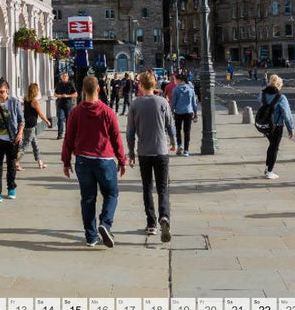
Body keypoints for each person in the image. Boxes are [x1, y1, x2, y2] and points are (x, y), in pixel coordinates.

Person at [62, 76, 127, 248]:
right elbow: (116, 138)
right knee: (111, 194)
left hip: (83, 160)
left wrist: (66, 161)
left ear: (83, 90)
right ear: (98, 89)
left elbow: (68, 138)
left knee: (88, 198)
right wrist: (122, 159)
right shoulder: (107, 111)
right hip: (104, 160)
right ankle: (105, 224)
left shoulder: (75, 112)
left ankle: (91, 237)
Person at [126, 71, 176, 242]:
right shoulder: (162, 102)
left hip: (144, 152)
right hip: (161, 150)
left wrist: (131, 153)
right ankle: (165, 216)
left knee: (147, 187)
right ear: (154, 85)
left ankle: (151, 224)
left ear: (140, 85)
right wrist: (174, 141)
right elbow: (170, 124)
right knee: (163, 187)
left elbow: (130, 132)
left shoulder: (135, 104)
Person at [0, 79, 24, 202]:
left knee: (11, 165)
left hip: (12, 139)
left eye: (2, 92)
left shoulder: (14, 102)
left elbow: (21, 120)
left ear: (7, 90)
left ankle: (11, 188)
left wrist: (20, 133)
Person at [261, 74, 295, 179]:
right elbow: (287, 115)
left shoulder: (263, 95)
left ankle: (267, 168)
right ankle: (270, 171)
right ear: (278, 85)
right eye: (281, 86)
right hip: (277, 126)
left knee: (271, 145)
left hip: (265, 125)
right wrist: (291, 129)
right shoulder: (281, 97)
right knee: (274, 148)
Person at [18, 83, 51, 170]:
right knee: (25, 145)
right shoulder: (35, 102)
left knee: (35, 144)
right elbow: (40, 114)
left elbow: (25, 110)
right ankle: (16, 162)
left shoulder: (26, 99)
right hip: (31, 126)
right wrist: (47, 121)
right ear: (36, 91)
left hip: (26, 124)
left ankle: (40, 162)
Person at [170, 73, 199, 156]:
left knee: (178, 130)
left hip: (178, 112)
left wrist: (171, 111)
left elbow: (173, 102)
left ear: (180, 80)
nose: (175, 82)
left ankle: (179, 145)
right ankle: (186, 150)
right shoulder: (191, 89)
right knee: (187, 131)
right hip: (188, 112)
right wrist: (195, 112)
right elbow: (194, 103)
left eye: (176, 80)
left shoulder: (175, 89)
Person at [54, 72, 78, 140]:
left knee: (68, 120)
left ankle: (68, 134)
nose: (64, 77)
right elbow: (55, 94)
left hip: (68, 104)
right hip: (60, 104)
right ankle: (60, 134)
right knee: (60, 118)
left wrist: (67, 95)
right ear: (61, 77)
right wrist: (60, 96)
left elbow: (76, 94)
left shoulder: (70, 84)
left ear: (68, 77)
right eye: (63, 76)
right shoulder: (59, 84)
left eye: (65, 76)